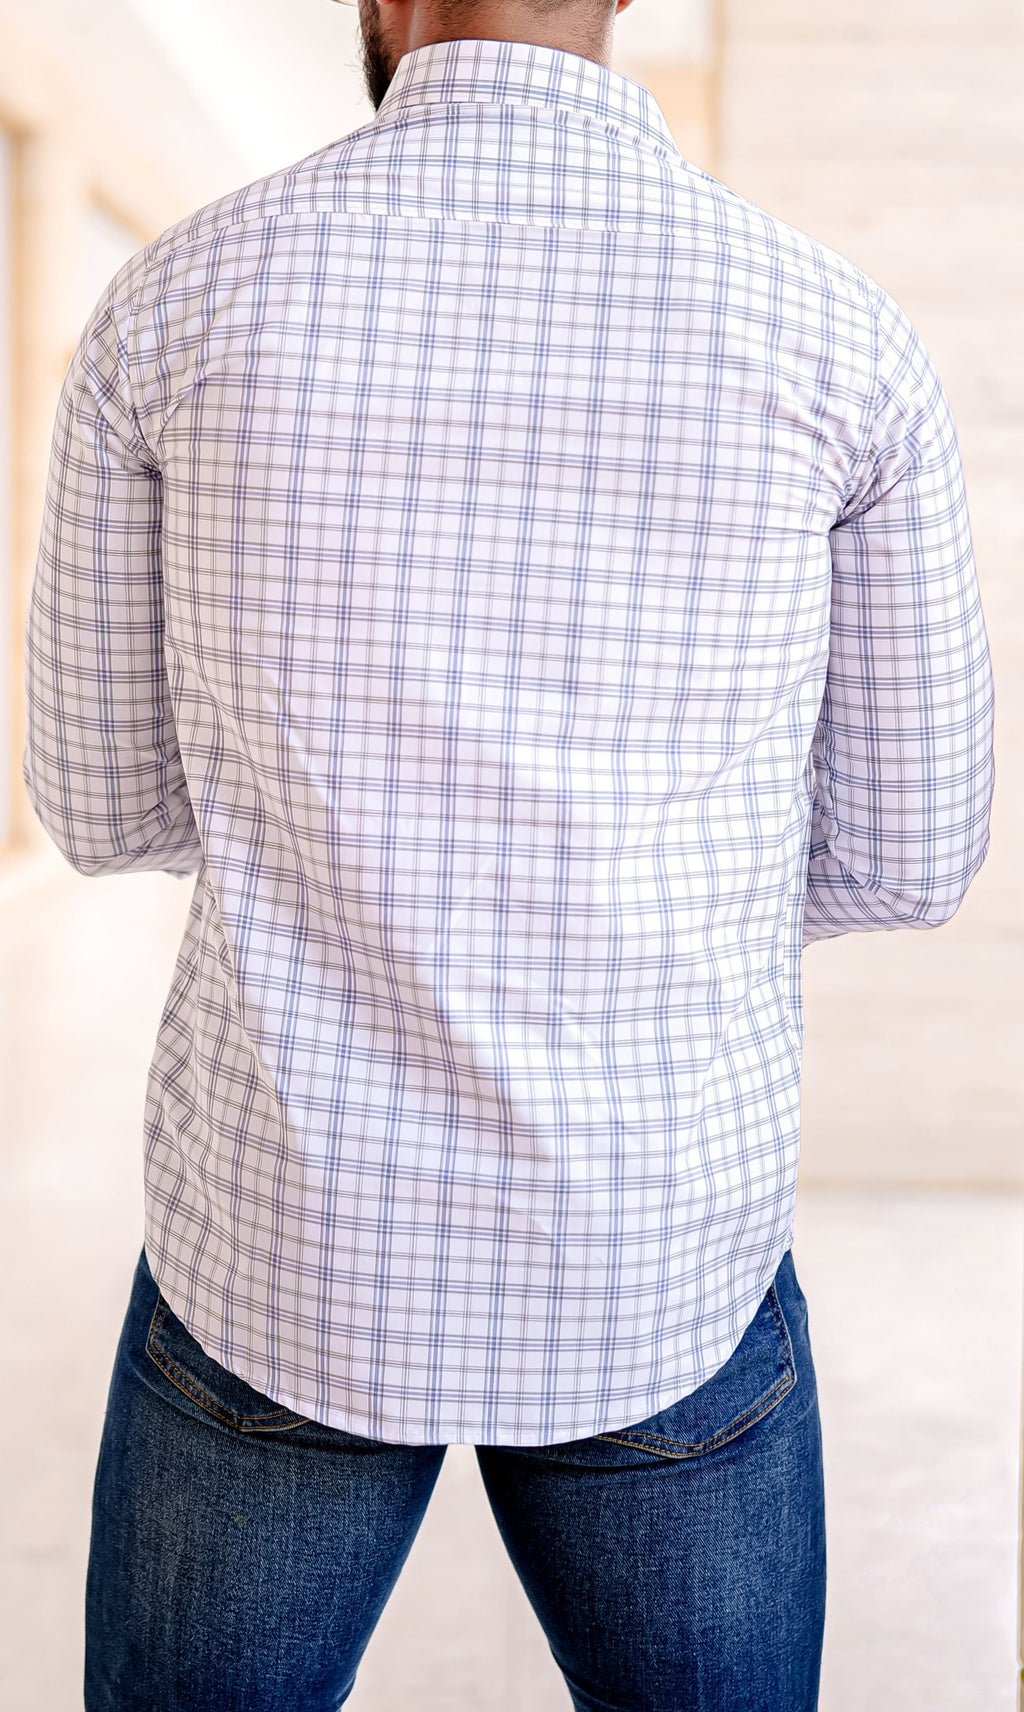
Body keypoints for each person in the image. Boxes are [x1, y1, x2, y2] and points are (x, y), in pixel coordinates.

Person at [24, 0, 994, 1705]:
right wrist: (661, 892)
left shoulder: (175, 302)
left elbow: (99, 809)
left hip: (285, 1233)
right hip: (659, 1236)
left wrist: (323, 848)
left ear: (385, 4)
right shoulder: (837, 336)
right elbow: (911, 853)